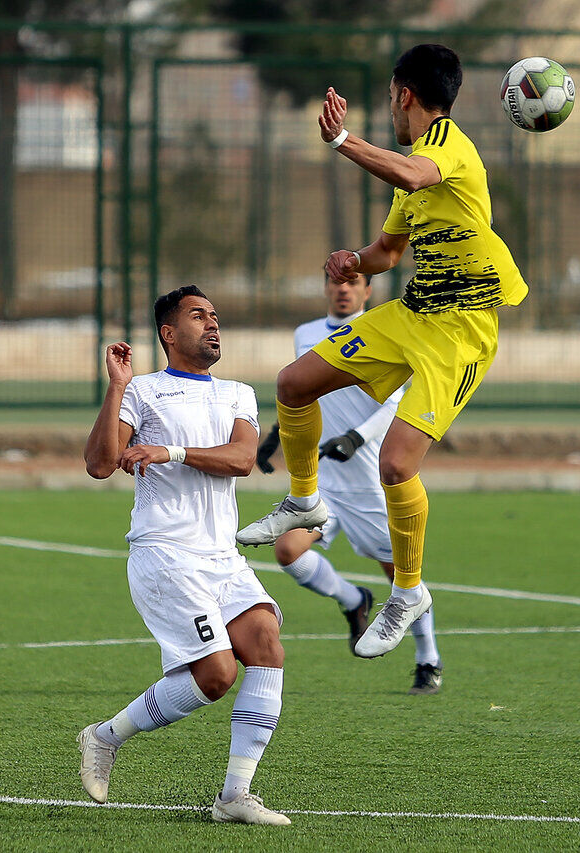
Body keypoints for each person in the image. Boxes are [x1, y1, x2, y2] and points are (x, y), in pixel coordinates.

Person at [238, 44, 528, 659]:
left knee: (397, 464)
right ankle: (304, 500)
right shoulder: (411, 163)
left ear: (403, 94)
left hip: (462, 332)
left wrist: (343, 140)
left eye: (391, 97)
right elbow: (387, 254)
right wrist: (354, 261)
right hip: (411, 313)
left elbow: (414, 174)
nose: (389, 109)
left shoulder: (448, 144)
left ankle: (409, 592)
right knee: (294, 383)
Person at [78, 285, 291, 826]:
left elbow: (243, 459)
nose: (212, 323)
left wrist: (168, 451)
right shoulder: (142, 391)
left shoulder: (239, 394)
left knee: (266, 642)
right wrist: (117, 388)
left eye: (215, 316)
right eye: (199, 316)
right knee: (217, 675)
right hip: (166, 554)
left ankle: (234, 797)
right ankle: (105, 737)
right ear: (169, 333)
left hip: (222, 556)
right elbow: (100, 464)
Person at [255, 270, 443, 693]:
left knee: (401, 576)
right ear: (326, 287)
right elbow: (303, 393)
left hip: (366, 483)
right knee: (287, 551)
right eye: (336, 282)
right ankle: (353, 600)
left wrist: (356, 438)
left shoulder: (385, 332)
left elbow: (395, 405)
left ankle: (427, 657)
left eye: (353, 282)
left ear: (367, 290)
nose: (344, 289)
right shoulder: (305, 333)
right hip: (321, 481)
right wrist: (273, 438)